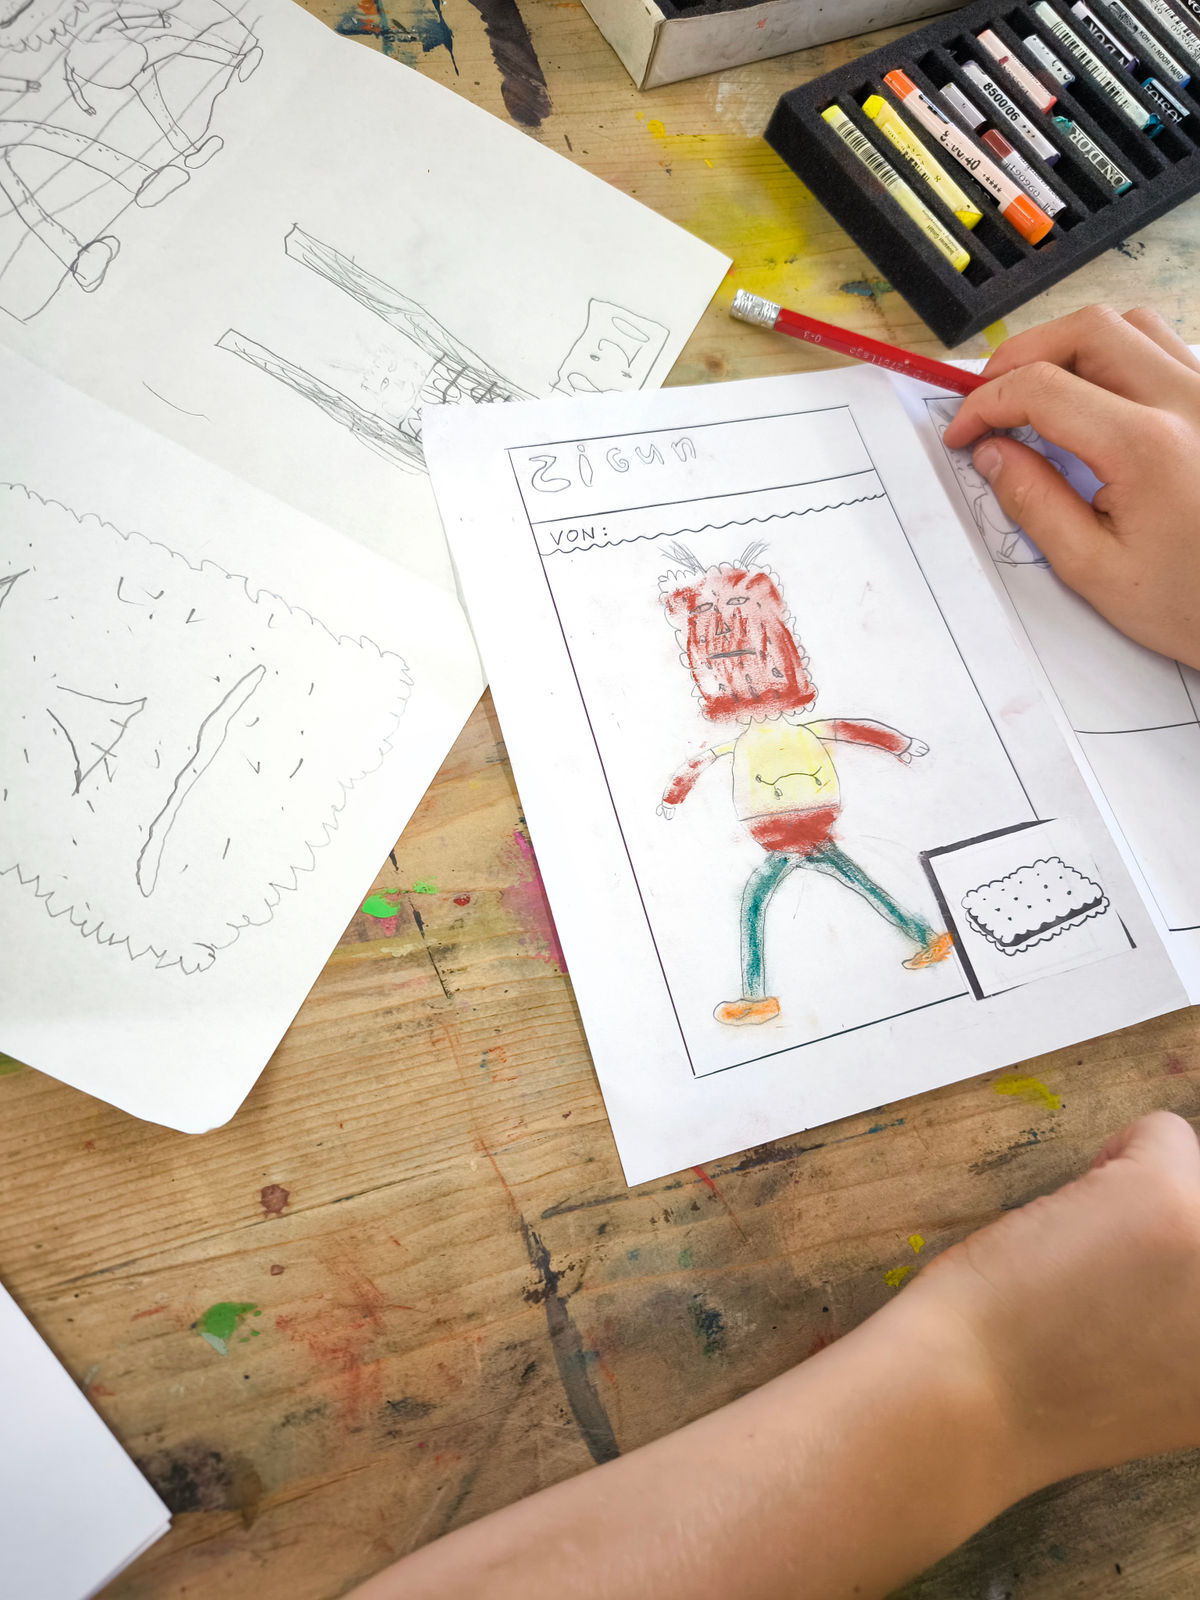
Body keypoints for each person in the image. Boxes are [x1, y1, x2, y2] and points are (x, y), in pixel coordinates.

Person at [347, 306, 1200, 1600]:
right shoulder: (746, 725)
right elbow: (727, 753)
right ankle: (822, 965)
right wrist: (993, 1389)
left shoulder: (784, 718)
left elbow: (828, 734)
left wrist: (1002, 1385)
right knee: (780, 900)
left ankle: (873, 948)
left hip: (810, 830)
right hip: (784, 837)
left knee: (817, 890)